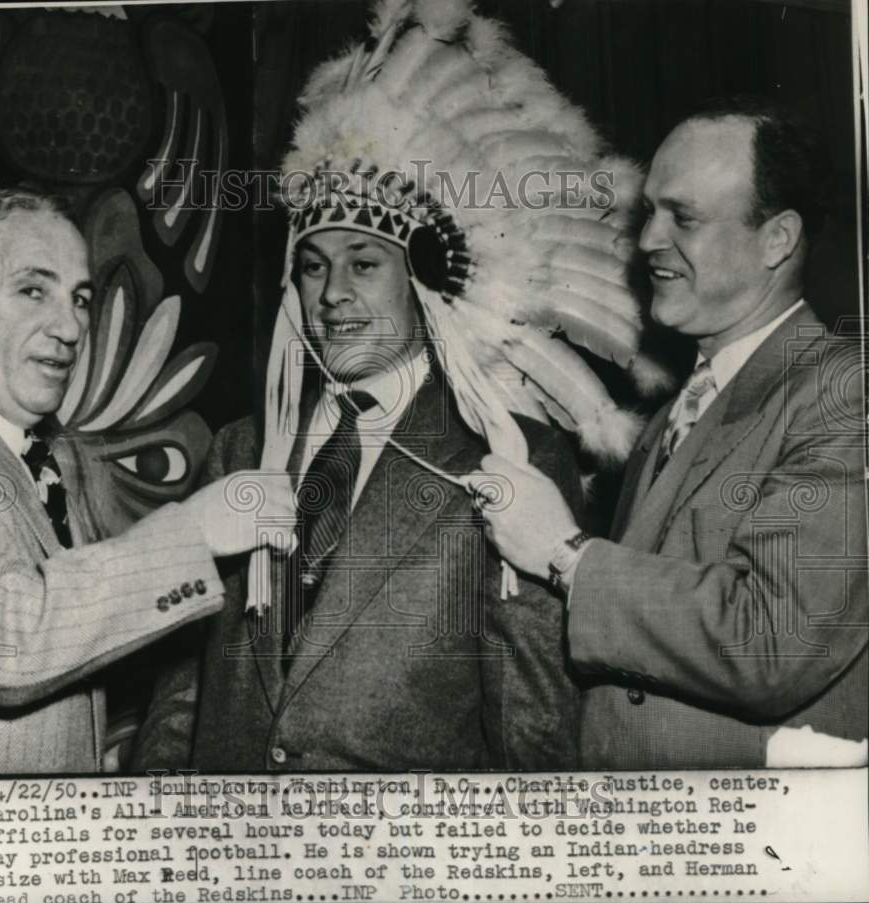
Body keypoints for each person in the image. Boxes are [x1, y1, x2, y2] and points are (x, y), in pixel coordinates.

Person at [132, 0, 672, 771]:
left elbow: (533, 727)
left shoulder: (507, 463)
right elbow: (182, 687)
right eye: (313, 268)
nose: (332, 295)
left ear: (420, 288)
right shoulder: (241, 451)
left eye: (363, 264)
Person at [472, 97, 868, 769]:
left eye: (682, 217)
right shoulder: (679, 410)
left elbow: (770, 642)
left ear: (777, 239)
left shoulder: (842, 392)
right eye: (650, 210)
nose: (649, 239)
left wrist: (567, 555)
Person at [0, 189, 294, 774]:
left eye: (81, 299)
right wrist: (196, 530)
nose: (70, 327)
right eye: (33, 290)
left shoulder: (30, 461)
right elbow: (3, 641)